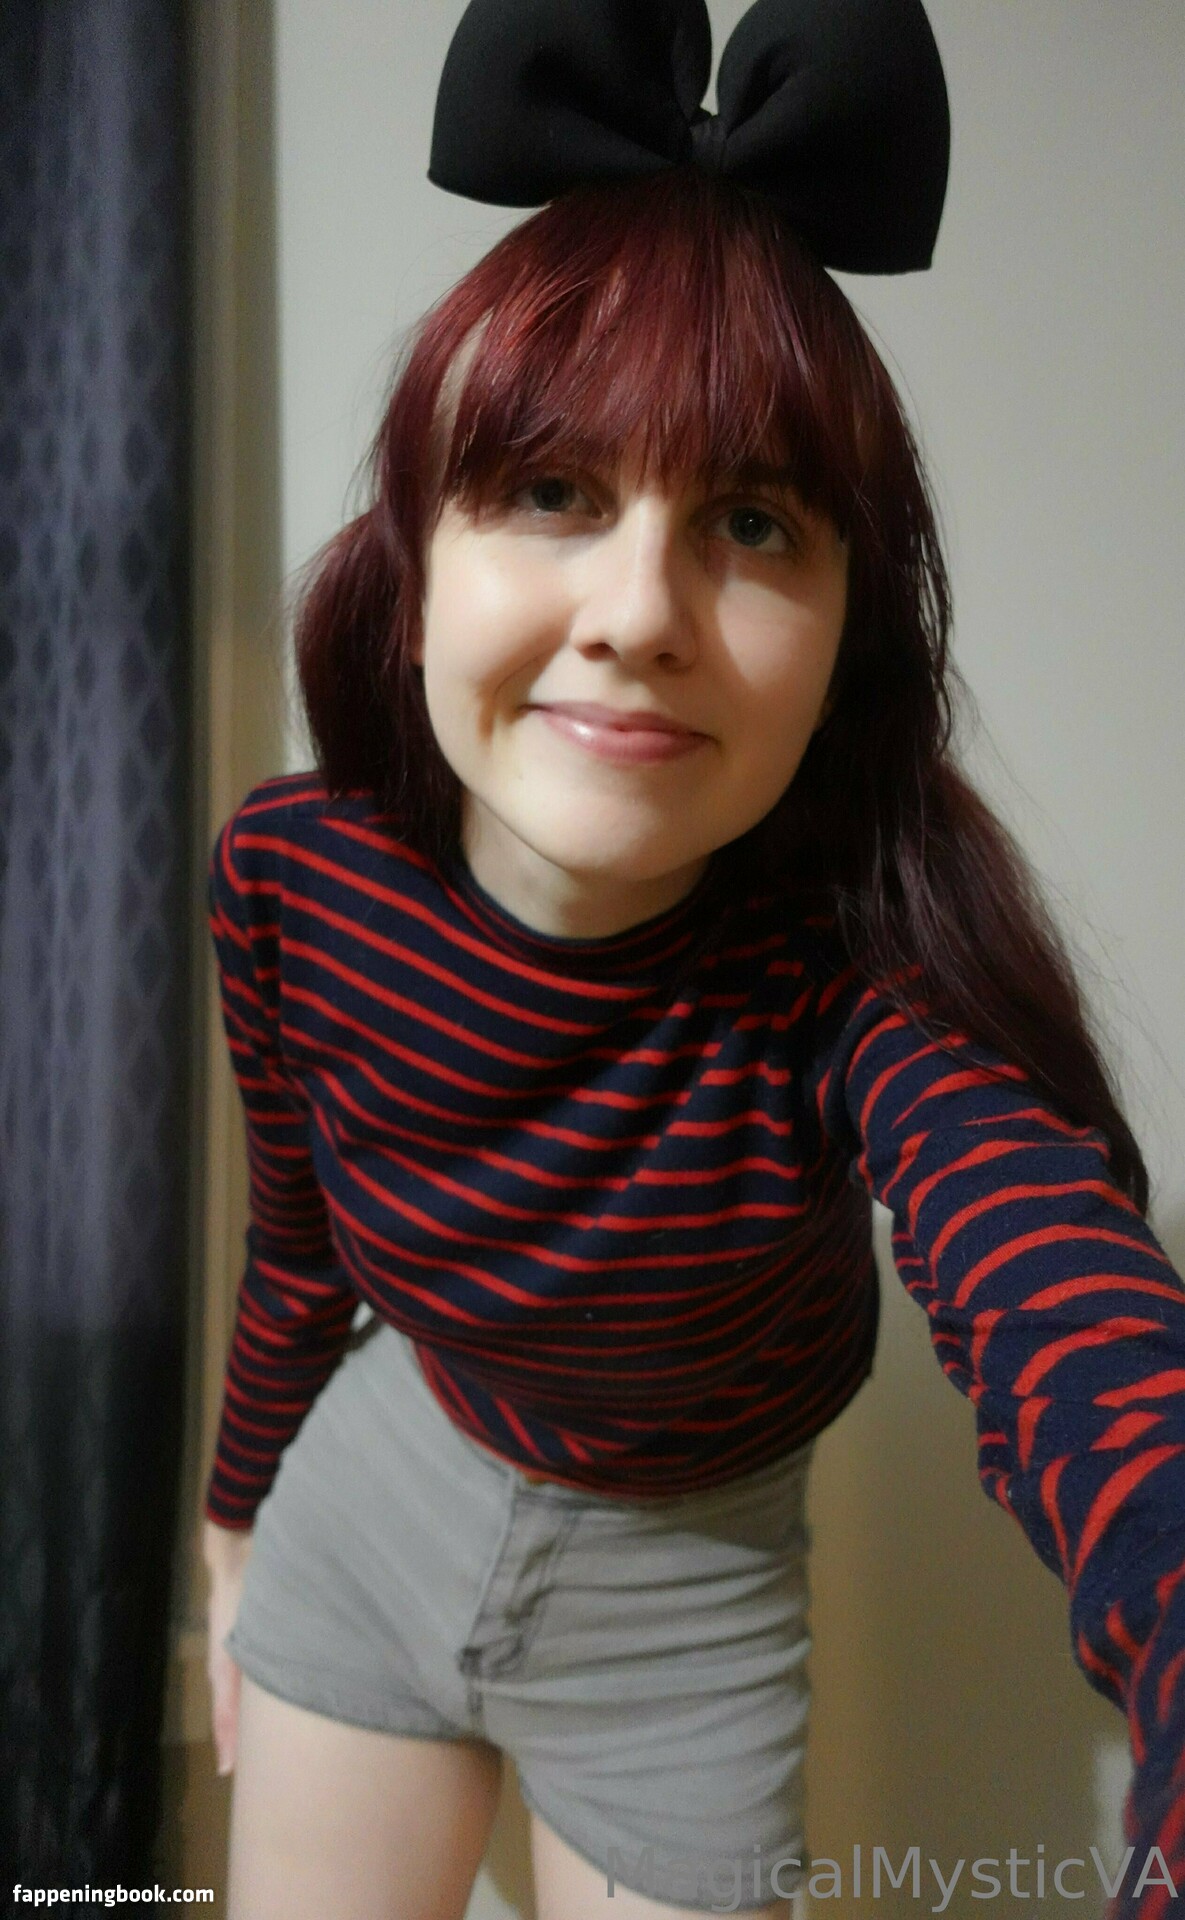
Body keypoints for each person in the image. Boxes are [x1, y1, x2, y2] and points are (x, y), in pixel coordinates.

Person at [201, 2, 1185, 1916]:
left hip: (688, 1618)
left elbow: (1074, 1319)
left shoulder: (861, 990)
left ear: (846, 643)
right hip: (365, 1508)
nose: (639, 612)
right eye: (551, 492)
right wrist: (232, 1519)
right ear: (412, 567)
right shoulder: (288, 880)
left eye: (747, 520)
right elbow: (300, 1244)